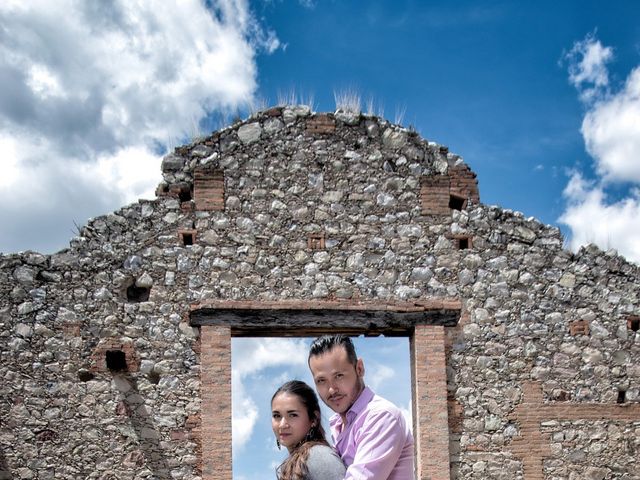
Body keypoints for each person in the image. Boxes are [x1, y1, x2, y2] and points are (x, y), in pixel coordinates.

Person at [308, 334, 414, 480]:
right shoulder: (338, 424)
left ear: (359, 369)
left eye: (339, 376)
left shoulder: (381, 416)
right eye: (321, 380)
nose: (331, 389)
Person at [271, 380, 346, 480]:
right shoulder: (301, 460)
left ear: (314, 419)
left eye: (293, 415)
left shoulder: (318, 456)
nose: (282, 425)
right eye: (277, 416)